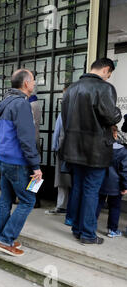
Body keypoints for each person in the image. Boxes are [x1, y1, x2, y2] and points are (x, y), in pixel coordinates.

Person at [60, 58, 122, 245]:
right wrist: (118, 112)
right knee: (91, 191)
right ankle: (87, 233)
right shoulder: (104, 88)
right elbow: (110, 116)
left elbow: (65, 118)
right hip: (96, 150)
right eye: (109, 73)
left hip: (73, 148)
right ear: (105, 69)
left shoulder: (71, 89)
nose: (109, 77)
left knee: (78, 188)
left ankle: (78, 229)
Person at [0, 69, 42, 257]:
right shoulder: (21, 105)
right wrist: (36, 166)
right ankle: (6, 239)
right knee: (28, 200)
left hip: (4, 158)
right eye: (33, 80)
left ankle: (4, 236)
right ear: (25, 83)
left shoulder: (5, 102)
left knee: (5, 199)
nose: (34, 83)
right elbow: (26, 138)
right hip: (17, 161)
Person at [94, 126, 127, 238]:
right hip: (116, 184)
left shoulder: (100, 148)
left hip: (101, 181)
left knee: (97, 204)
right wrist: (125, 186)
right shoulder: (123, 151)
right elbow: (124, 171)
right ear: (115, 134)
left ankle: (91, 225)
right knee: (115, 207)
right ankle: (112, 230)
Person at [46, 85, 72, 216]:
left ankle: (61, 205)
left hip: (63, 149)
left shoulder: (64, 113)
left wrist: (54, 148)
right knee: (72, 181)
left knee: (62, 180)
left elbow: (57, 132)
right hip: (78, 151)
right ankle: (71, 207)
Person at [29, 94, 42, 208]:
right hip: (36, 140)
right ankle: (35, 199)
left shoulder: (30, 105)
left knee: (33, 171)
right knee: (35, 171)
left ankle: (33, 199)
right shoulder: (36, 104)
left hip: (30, 142)